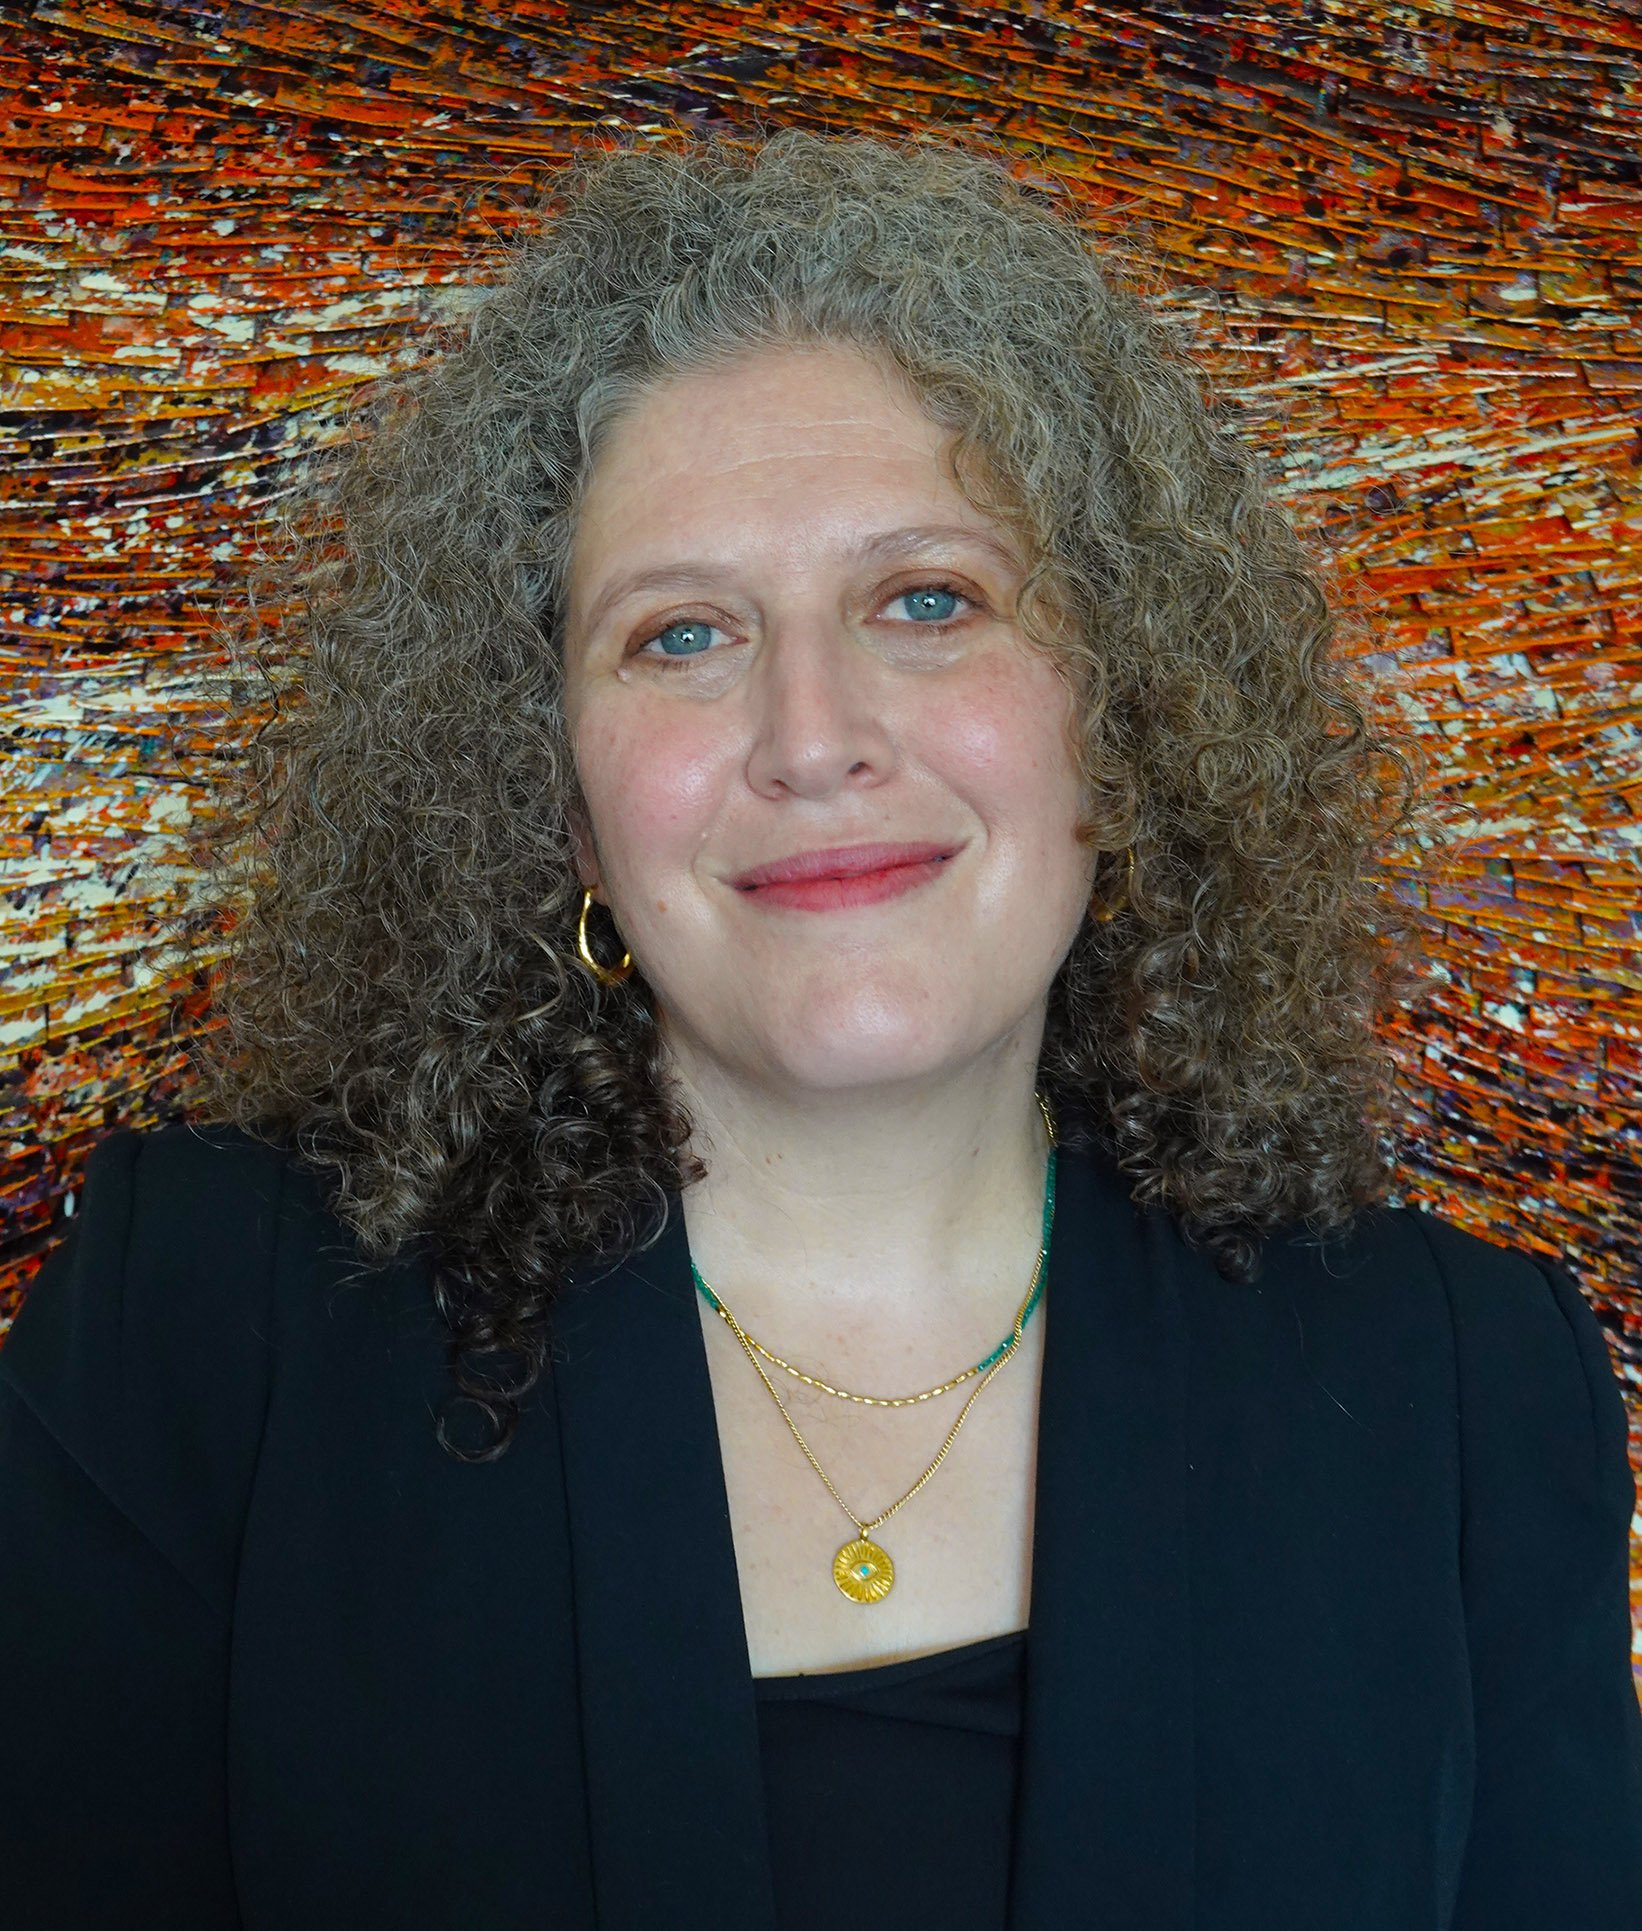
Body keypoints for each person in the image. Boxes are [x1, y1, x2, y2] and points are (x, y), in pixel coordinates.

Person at [1, 126, 1638, 1931]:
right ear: (555, 799)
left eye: (927, 601)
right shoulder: (200, 1327)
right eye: (681, 635)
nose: (810, 736)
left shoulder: (1462, 1392)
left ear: (1120, 716)